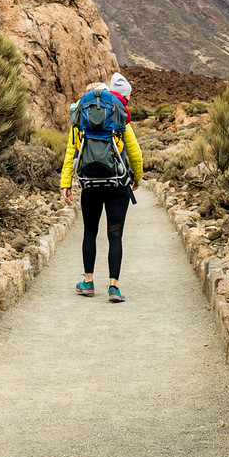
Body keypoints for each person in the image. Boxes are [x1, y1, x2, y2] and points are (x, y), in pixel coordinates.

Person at [61, 76, 143, 302]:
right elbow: (134, 151)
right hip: (117, 184)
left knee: (90, 232)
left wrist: (65, 183)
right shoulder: (117, 114)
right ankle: (113, 287)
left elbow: (71, 153)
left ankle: (88, 282)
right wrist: (137, 176)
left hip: (90, 184)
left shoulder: (80, 118)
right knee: (115, 235)